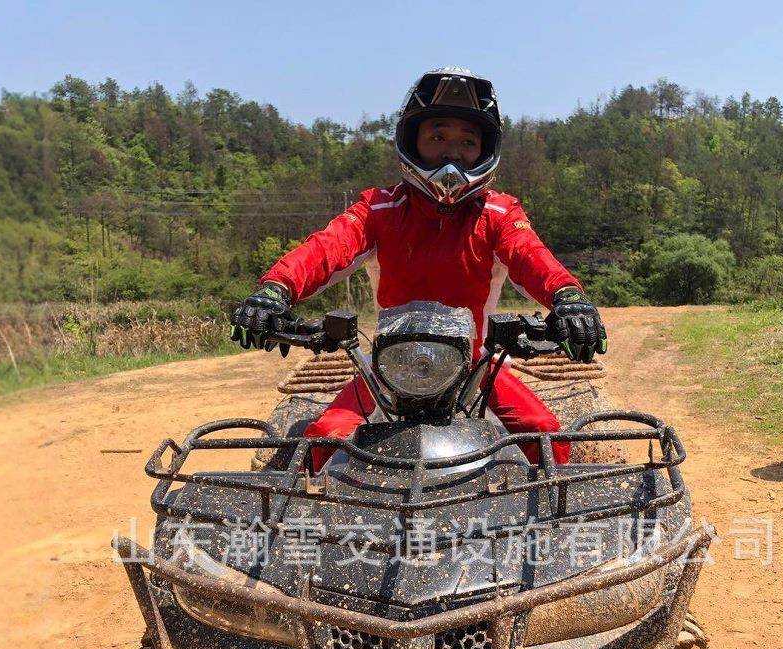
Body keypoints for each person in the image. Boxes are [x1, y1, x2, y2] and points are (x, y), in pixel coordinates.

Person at [229, 68, 607, 470]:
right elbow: (326, 248)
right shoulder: (378, 209)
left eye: (467, 141)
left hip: (474, 367)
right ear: (413, 141)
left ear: (485, 150)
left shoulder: (498, 213)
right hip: (389, 369)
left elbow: (531, 256)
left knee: (544, 434)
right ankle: (318, 511)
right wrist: (275, 288)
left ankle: (550, 511)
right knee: (323, 439)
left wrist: (568, 297)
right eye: (438, 137)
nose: (452, 153)